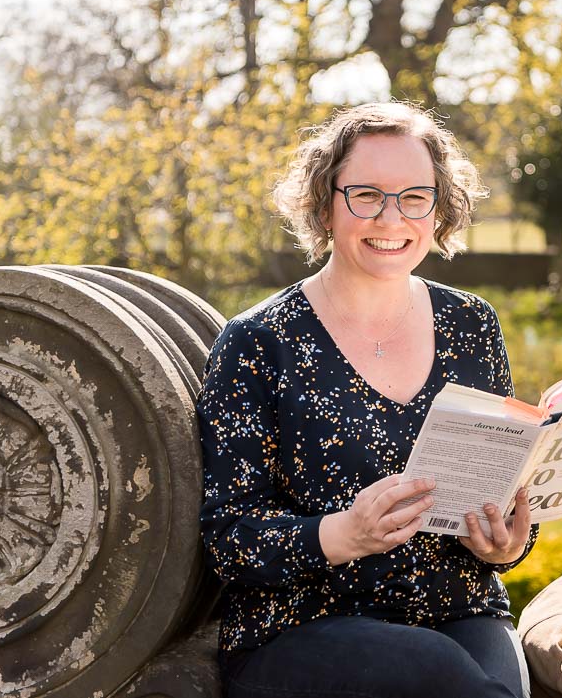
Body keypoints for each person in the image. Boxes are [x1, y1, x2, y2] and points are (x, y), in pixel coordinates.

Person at [197, 102, 538, 698]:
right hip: (302, 627)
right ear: (326, 203)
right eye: (367, 195)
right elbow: (230, 540)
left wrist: (507, 544)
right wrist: (344, 533)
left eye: (414, 197)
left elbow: (501, 485)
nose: (392, 217)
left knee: (489, 684)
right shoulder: (258, 342)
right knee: (445, 676)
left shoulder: (472, 324)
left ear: (439, 208)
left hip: (458, 606)